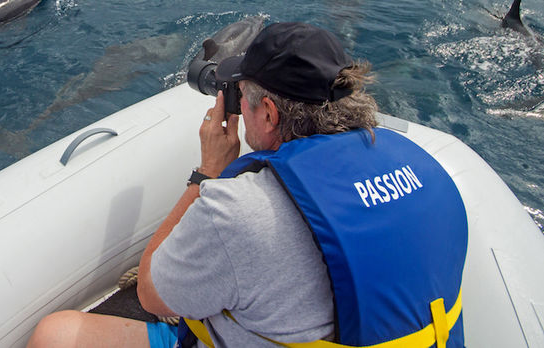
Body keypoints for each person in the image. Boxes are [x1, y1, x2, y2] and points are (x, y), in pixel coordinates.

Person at [28, 22, 467, 348]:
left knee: (55, 334)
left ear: (271, 114)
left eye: (247, 97)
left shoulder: (239, 209)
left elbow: (151, 292)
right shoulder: (424, 168)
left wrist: (208, 174)